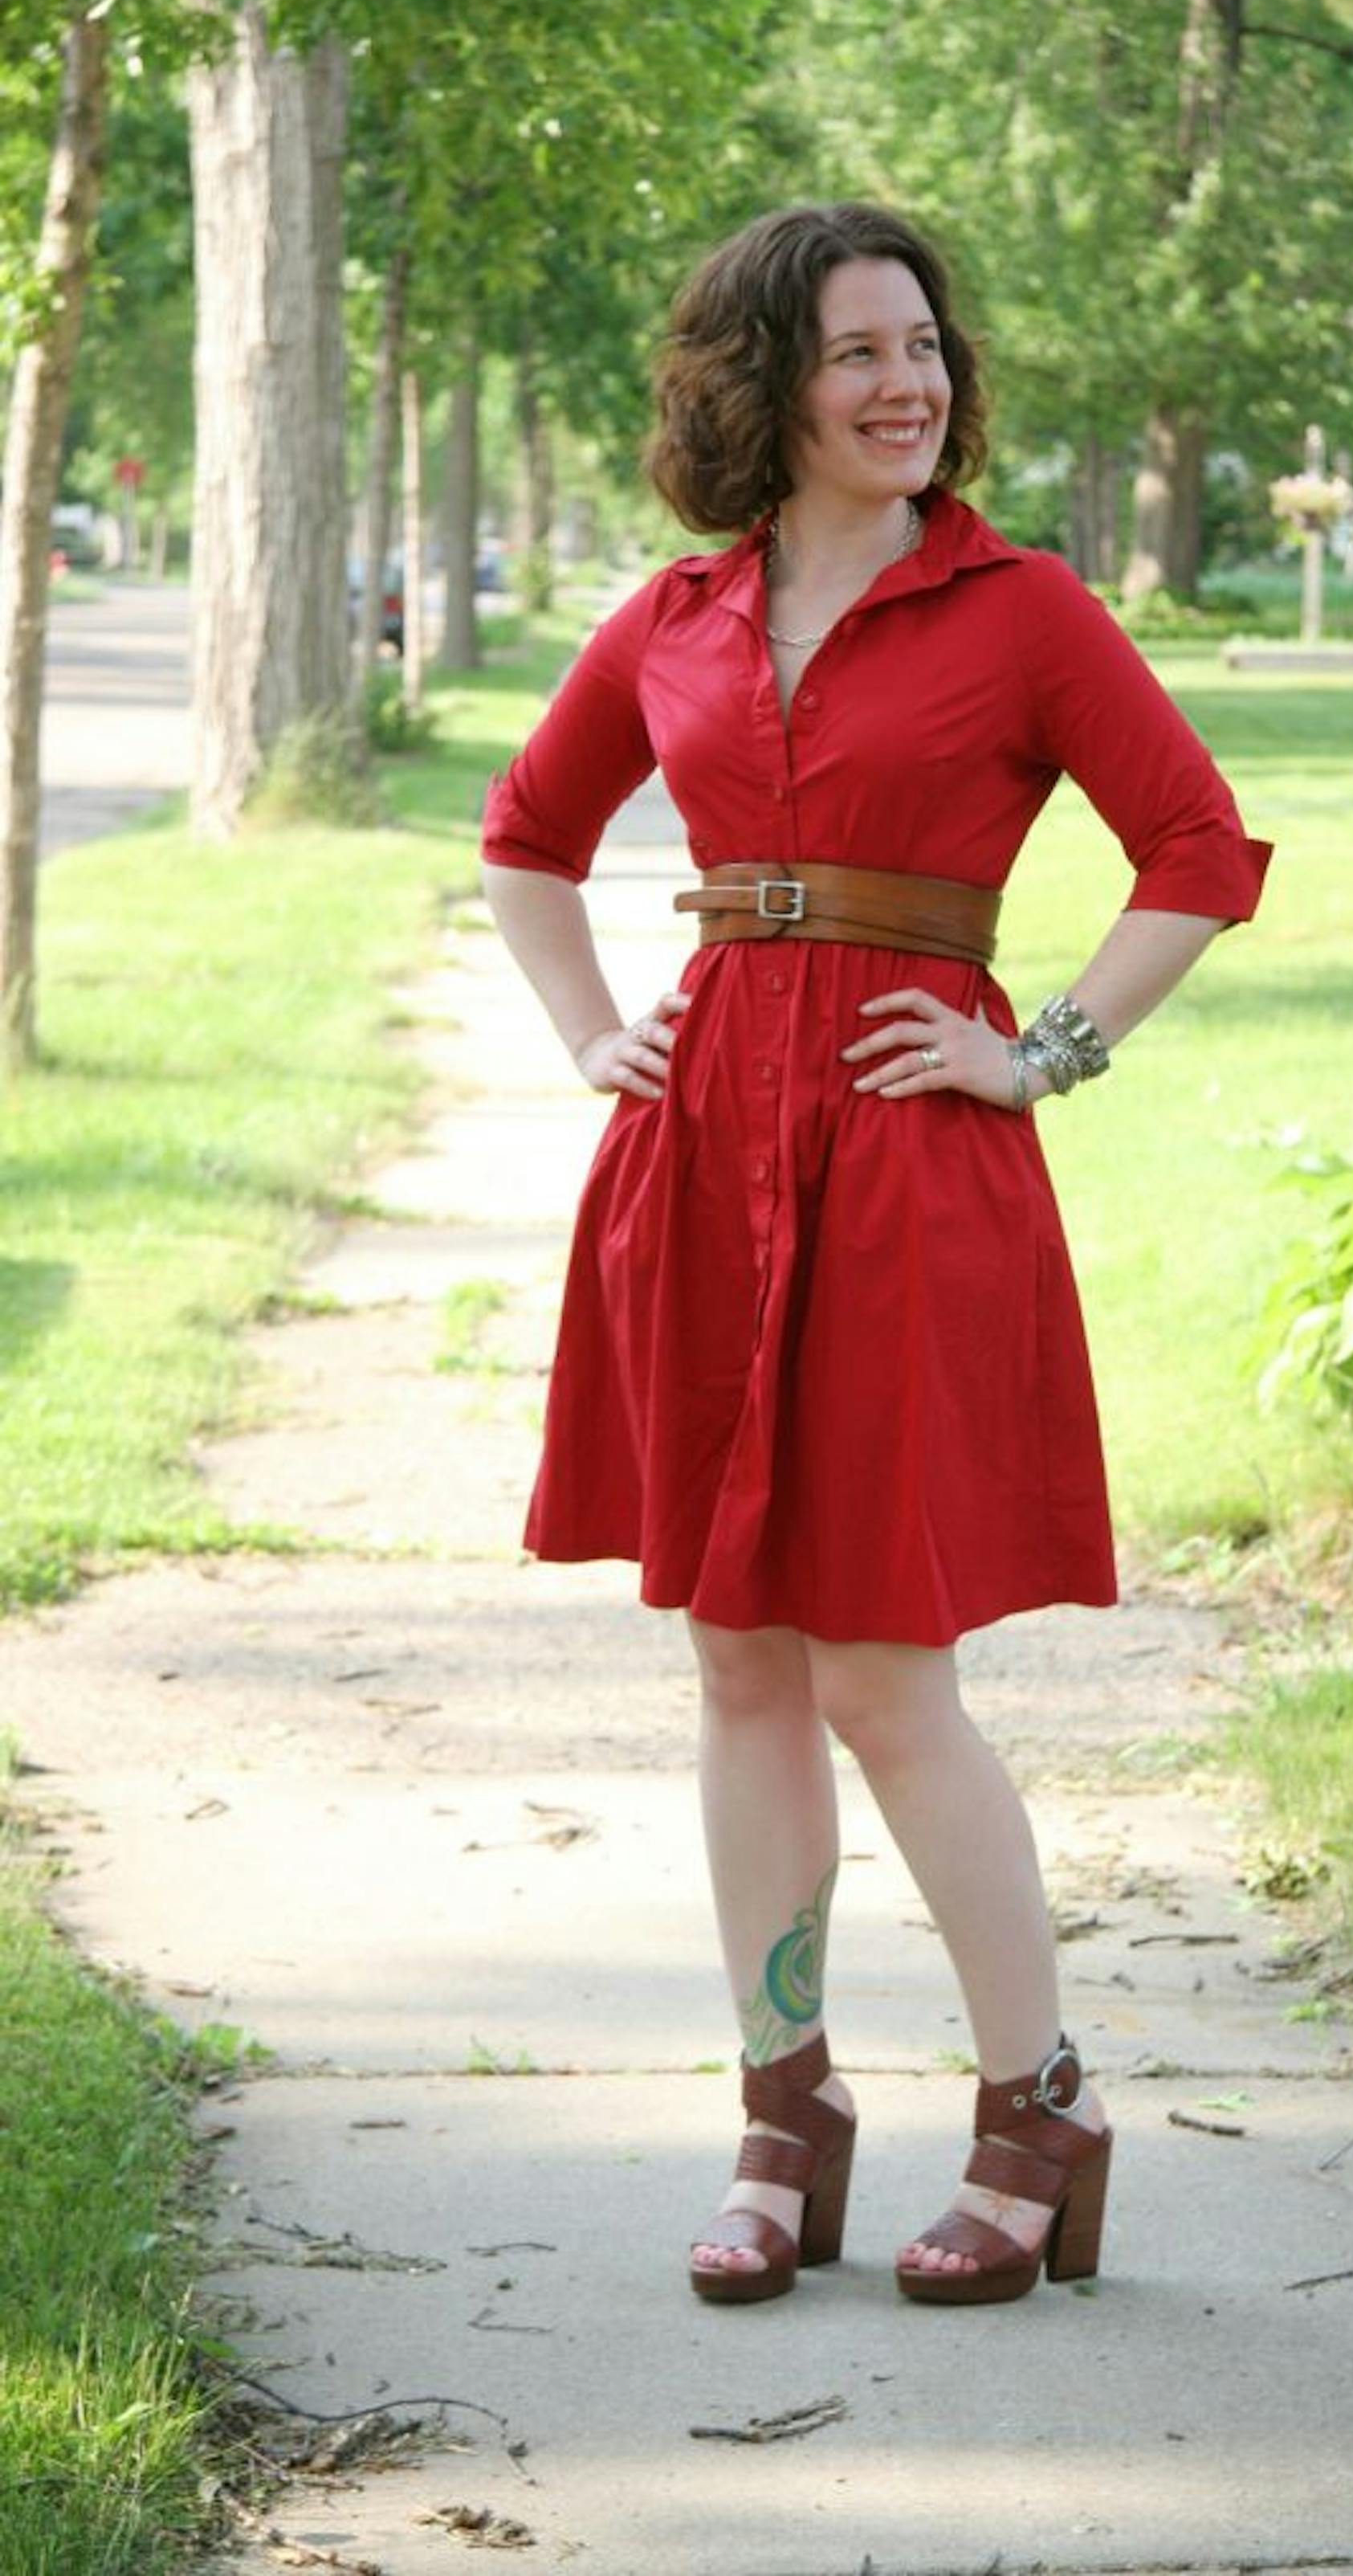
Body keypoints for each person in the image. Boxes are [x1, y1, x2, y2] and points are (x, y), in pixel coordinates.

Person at [479, 202, 1271, 2309]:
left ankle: (1042, 2109)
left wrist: (1047, 1047)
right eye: (855, 353)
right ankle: (784, 2109)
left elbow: (1200, 845)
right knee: (735, 1655)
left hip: (913, 1168)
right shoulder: (675, 612)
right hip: (704, 1153)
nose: (905, 382)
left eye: (923, 344)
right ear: (765, 385)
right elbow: (527, 836)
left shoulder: (1018, 607)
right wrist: (589, 1035)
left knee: (884, 1672)